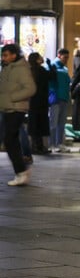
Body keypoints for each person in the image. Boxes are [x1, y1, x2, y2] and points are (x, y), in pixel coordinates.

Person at [0, 44, 36, 186]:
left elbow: (31, 88)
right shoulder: (7, 68)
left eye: (6, 55)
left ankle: (21, 171)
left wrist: (13, 97)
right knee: (11, 140)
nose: (4, 58)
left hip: (17, 109)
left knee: (9, 140)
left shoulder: (21, 69)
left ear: (14, 55)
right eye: (3, 55)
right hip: (7, 109)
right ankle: (21, 171)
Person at [26, 52, 52, 155]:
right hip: (42, 101)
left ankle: (34, 147)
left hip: (32, 101)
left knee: (34, 124)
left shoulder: (29, 71)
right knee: (41, 124)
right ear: (37, 60)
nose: (42, 58)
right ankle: (40, 147)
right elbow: (52, 76)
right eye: (40, 57)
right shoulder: (42, 70)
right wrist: (49, 65)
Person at [48, 49, 72, 153]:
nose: (66, 59)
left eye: (67, 57)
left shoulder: (64, 69)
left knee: (61, 122)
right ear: (59, 55)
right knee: (54, 122)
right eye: (65, 57)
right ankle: (52, 144)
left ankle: (59, 143)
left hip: (63, 98)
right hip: (56, 98)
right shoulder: (52, 67)